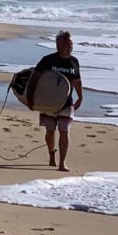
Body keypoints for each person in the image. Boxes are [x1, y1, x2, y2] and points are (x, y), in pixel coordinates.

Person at [31, 31, 83, 171]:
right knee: (50, 131)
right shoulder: (48, 60)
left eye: (71, 43)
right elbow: (35, 78)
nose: (70, 46)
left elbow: (77, 81)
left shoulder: (74, 62)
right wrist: (30, 99)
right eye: (67, 43)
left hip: (67, 102)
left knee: (64, 131)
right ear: (58, 45)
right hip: (48, 102)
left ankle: (62, 163)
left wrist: (80, 97)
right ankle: (51, 154)